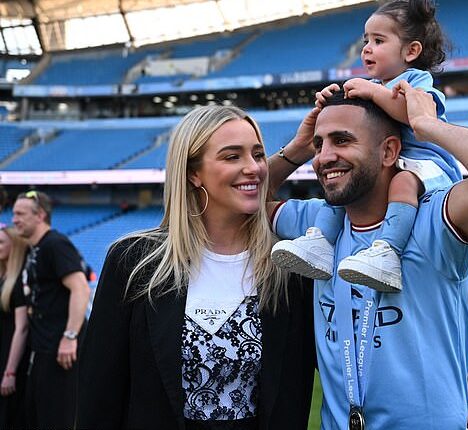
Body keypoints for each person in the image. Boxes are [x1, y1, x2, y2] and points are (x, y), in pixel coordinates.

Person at [269, 82, 468, 428]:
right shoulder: (318, 228)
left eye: (343, 140)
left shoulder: (433, 223)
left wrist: (427, 125)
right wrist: (297, 150)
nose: (324, 156)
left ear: (389, 152)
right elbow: (243, 200)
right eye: (320, 144)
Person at [77, 105, 316, 430]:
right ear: (193, 172)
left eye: (258, 155)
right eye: (232, 156)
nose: (253, 168)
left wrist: (297, 152)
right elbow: (98, 397)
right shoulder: (133, 261)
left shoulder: (288, 265)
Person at [272, 0, 461, 293]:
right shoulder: (375, 84)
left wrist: (372, 92)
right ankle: (320, 242)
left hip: (426, 164)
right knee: (342, 194)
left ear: (411, 51)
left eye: (378, 40)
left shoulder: (416, 80)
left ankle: (387, 251)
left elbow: (414, 115)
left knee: (402, 184)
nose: (367, 48)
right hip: (396, 161)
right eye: (365, 41)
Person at [12, 190, 91, 429]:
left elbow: (80, 288)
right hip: (45, 347)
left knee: (57, 418)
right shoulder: (35, 248)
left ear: (40, 216)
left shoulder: (55, 244)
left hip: (61, 350)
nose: (15, 219)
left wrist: (69, 337)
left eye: (20, 214)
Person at [0, 225, 29, 428]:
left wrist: (9, 372)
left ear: (14, 246)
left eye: (1, 242)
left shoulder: (17, 282)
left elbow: (22, 328)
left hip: (8, 357)